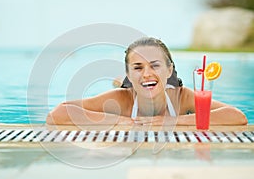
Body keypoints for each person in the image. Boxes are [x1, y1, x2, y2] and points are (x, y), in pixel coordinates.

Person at [46, 37, 248, 125]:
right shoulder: (121, 100)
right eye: (138, 68)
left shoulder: (182, 97)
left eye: (155, 65)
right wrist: (124, 122)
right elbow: (57, 114)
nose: (147, 73)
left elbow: (237, 116)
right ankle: (121, 80)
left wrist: (170, 122)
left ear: (169, 70)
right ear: (128, 73)